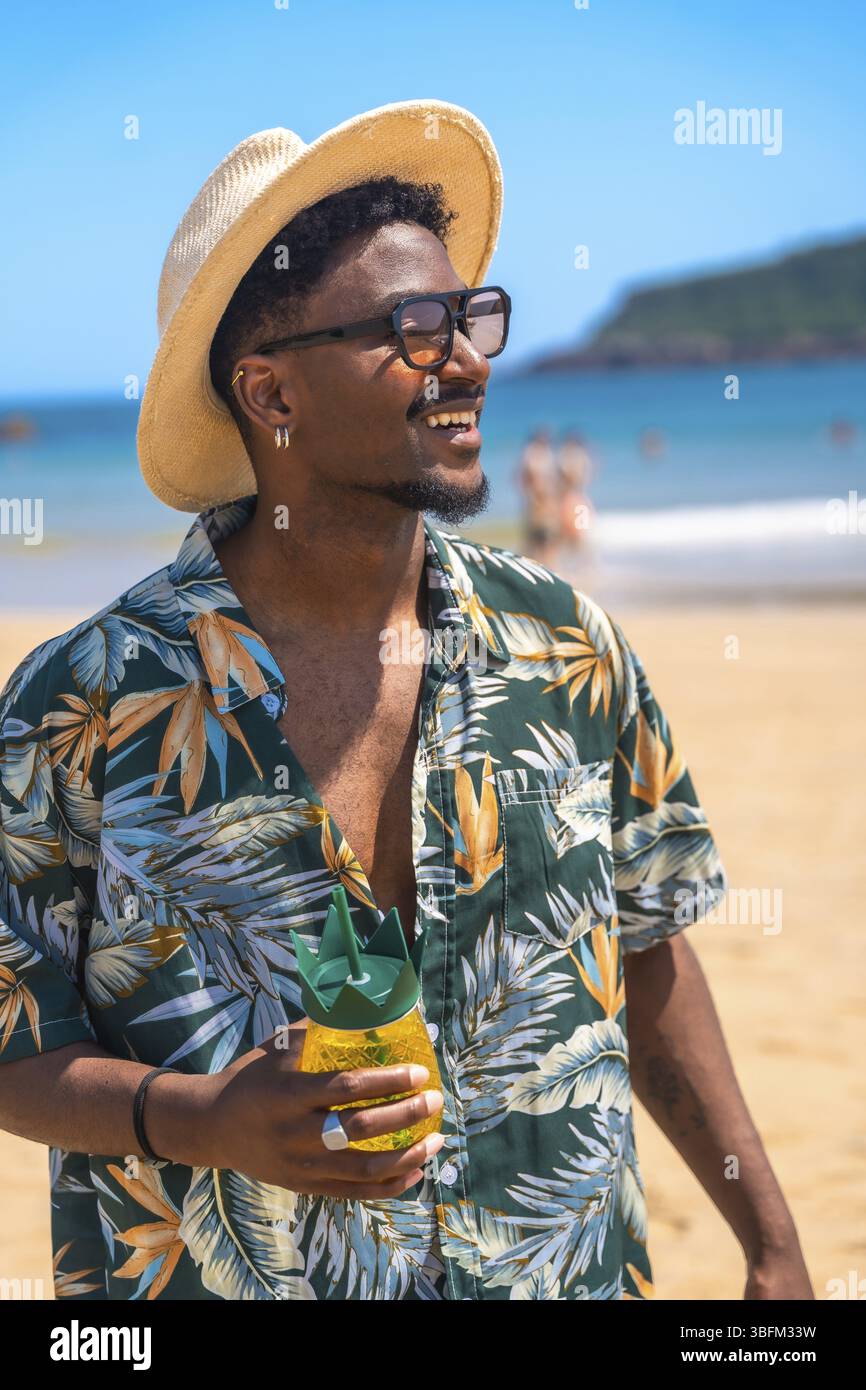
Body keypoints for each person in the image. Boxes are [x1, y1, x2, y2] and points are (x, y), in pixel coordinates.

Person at [0, 100, 812, 1301]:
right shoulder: (85, 703)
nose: (469, 358)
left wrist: (772, 1244)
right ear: (270, 394)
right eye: (411, 328)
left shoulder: (564, 648)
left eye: (470, 315)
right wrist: (204, 1118)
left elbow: (647, 955)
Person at [516, 426, 559, 565]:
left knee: (545, 536)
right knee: (538, 537)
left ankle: (542, 566)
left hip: (543, 500)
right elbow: (529, 477)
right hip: (538, 500)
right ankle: (538, 566)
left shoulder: (544, 453)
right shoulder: (533, 453)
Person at [556, 428, 594, 557]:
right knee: (572, 531)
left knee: (577, 532)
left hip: (573, 497)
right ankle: (579, 562)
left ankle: (580, 562)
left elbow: (574, 476)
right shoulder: (570, 455)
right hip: (573, 496)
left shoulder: (571, 455)